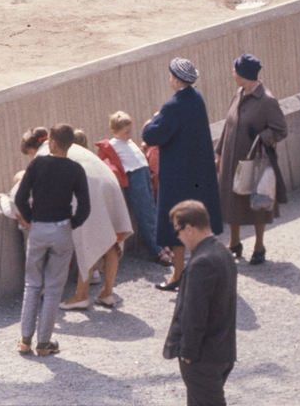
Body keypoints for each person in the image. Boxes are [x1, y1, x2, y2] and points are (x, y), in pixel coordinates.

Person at [144, 58, 223, 290]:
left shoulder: (173, 106)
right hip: (198, 173)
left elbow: (151, 135)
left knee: (176, 224)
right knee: (199, 224)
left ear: (177, 80)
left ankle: (177, 274)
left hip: (178, 175)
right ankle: (202, 272)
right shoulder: (197, 98)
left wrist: (155, 118)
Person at [14, 123, 91, 357]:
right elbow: (85, 207)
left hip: (39, 228)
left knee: (32, 284)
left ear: (53, 143)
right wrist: (71, 223)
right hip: (62, 230)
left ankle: (25, 339)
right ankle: (44, 342)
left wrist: (32, 219)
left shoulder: (37, 164)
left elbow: (20, 198)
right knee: (54, 287)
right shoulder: (76, 170)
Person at [162, 199, 238, 406]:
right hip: (222, 350)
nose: (177, 237)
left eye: (177, 230)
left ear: (189, 228)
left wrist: (188, 353)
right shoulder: (223, 253)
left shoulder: (201, 263)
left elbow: (194, 313)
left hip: (203, 357)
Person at [214, 54, 287, 266]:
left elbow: (281, 130)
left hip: (255, 161)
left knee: (257, 203)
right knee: (233, 201)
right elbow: (228, 125)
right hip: (232, 158)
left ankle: (259, 246)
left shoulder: (267, 101)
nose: (232, 74)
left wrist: (261, 136)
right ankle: (234, 242)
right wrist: (219, 153)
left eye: (235, 70)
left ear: (244, 75)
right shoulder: (239, 94)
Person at [57, 134, 135, 312]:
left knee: (89, 244)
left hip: (93, 198)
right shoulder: (92, 159)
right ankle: (107, 293)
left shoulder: (71, 158)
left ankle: (81, 296)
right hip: (110, 193)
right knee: (111, 244)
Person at [97, 113, 170, 268]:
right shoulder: (114, 144)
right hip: (134, 176)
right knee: (145, 213)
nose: (129, 135)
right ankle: (156, 250)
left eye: (130, 131)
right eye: (126, 132)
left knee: (152, 210)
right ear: (115, 131)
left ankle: (161, 242)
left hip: (143, 173)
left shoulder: (129, 142)